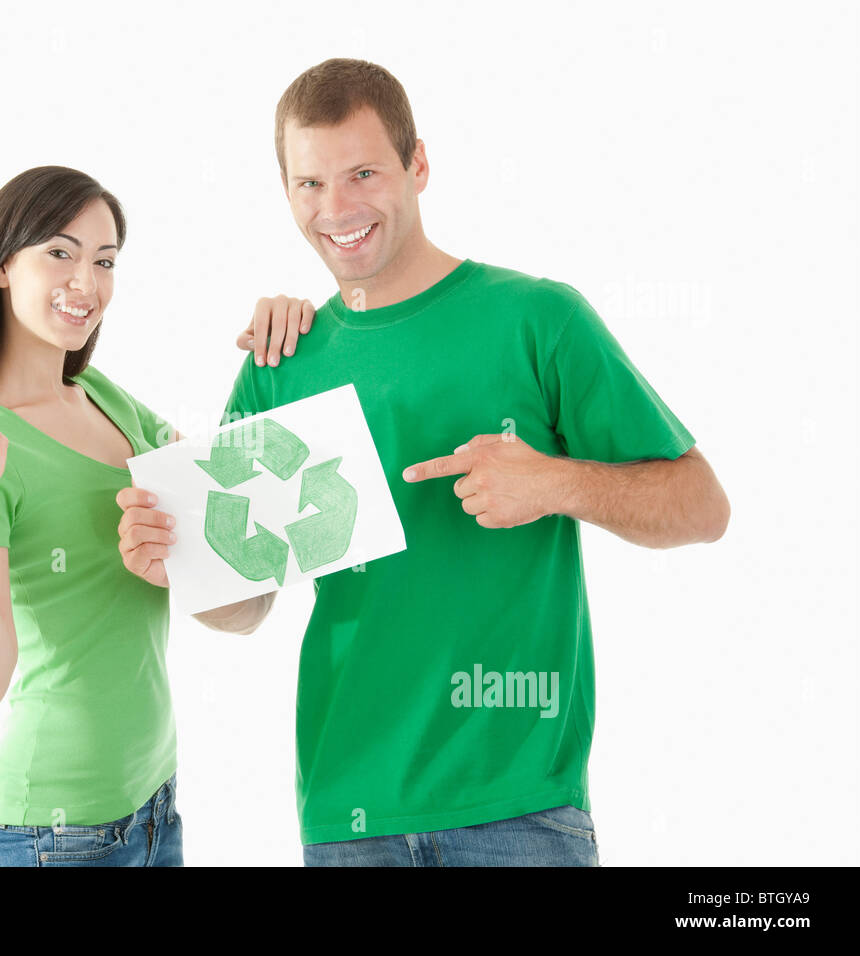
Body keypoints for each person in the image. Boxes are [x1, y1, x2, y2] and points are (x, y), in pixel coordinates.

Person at [117, 59, 731, 866]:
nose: (335, 209)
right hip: (347, 817)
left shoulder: (537, 319)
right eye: (309, 184)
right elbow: (246, 605)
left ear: (419, 166)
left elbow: (702, 507)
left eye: (362, 173)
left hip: (520, 814)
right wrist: (180, 563)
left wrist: (554, 481)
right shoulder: (282, 358)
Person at [0, 165, 312, 866]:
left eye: (104, 260)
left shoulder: (106, 398)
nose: (86, 282)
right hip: (53, 833)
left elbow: (239, 549)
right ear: (1, 265)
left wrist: (291, 345)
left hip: (153, 804)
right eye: (60, 252)